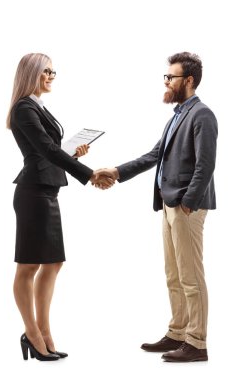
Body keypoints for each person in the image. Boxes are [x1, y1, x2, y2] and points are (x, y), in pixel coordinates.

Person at [96, 52, 218, 362]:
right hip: (168, 204)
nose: (165, 81)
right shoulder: (177, 115)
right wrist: (117, 171)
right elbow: (155, 156)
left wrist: (188, 202)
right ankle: (178, 332)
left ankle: (197, 343)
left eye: (170, 77)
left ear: (188, 81)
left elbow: (205, 165)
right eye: (165, 76)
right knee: (173, 273)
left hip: (186, 206)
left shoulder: (202, 115)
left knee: (191, 276)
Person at [7, 53, 113, 361]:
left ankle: (44, 331)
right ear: (32, 73)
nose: (52, 75)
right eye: (46, 71)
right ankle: (34, 333)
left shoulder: (37, 106)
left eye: (54, 71)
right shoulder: (24, 108)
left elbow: (51, 152)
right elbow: (46, 150)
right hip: (33, 194)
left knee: (53, 263)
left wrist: (74, 157)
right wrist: (89, 173)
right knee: (28, 265)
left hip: (47, 191)